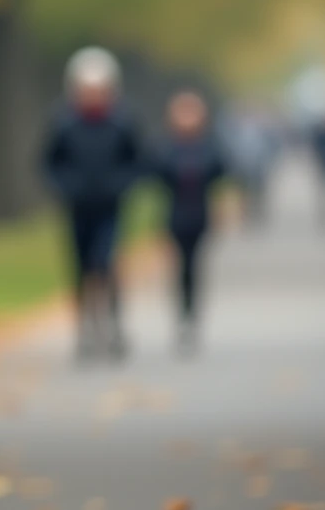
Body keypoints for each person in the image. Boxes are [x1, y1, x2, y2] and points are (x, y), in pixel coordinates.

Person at [42, 47, 142, 362]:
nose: (93, 95)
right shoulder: (65, 124)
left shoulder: (122, 124)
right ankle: (84, 328)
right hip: (77, 209)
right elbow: (49, 163)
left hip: (110, 208)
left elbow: (136, 162)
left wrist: (119, 185)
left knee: (107, 263)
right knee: (81, 268)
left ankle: (113, 326)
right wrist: (66, 187)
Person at [152, 90, 225, 353]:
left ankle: (191, 314)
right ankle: (182, 314)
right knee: (180, 266)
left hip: (200, 215)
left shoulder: (208, 146)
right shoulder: (166, 146)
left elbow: (220, 170)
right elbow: (156, 173)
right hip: (175, 215)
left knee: (194, 266)